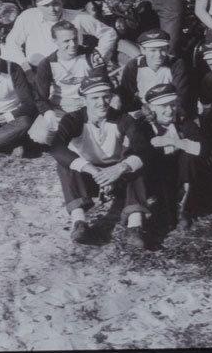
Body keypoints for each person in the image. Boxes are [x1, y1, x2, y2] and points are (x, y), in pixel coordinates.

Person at [48, 76, 150, 245]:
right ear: (84, 100)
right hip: (88, 175)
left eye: (105, 97)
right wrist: (93, 170)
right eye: (95, 98)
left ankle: (135, 225)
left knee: (135, 164)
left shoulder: (123, 119)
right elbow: (57, 148)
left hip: (117, 175)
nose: (101, 103)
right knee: (64, 163)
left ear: (111, 97)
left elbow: (143, 148)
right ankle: (79, 222)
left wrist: (120, 168)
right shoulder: (73, 119)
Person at [137, 83, 205, 245]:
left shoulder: (184, 122)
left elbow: (201, 149)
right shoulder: (143, 126)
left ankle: (182, 206)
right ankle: (157, 208)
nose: (170, 110)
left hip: (183, 173)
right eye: (163, 106)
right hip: (156, 175)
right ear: (150, 108)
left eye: (173, 105)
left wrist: (173, 141)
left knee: (189, 155)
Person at [29, 20, 108, 146]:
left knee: (113, 104)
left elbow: (101, 81)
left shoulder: (91, 54)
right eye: (66, 41)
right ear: (55, 41)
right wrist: (50, 115)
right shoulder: (47, 64)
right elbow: (40, 97)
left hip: (88, 102)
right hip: (62, 105)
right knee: (39, 135)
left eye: (75, 39)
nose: (73, 44)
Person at [4, 0, 117, 68]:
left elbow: (108, 33)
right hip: (37, 71)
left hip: (73, 69)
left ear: (62, 2)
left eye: (56, 4)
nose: (52, 9)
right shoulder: (28, 17)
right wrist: (25, 67)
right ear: (38, 6)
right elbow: (12, 44)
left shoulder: (77, 17)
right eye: (46, 6)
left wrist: (98, 59)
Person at [117, 29, 191, 114]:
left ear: (168, 49)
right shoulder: (134, 65)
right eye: (153, 50)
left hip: (169, 109)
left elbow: (181, 94)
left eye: (162, 50)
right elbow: (126, 95)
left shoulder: (176, 64)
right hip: (144, 110)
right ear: (143, 50)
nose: (158, 55)